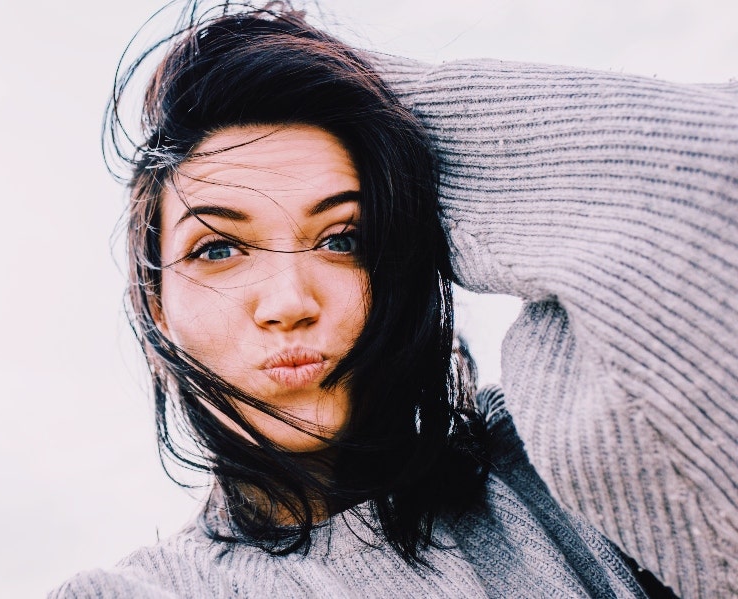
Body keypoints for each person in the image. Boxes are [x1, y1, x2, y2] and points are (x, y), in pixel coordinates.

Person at [52, 2, 738, 597]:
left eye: (343, 238)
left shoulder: (566, 468)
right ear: (157, 303)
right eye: (220, 249)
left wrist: (402, 117)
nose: (289, 302)